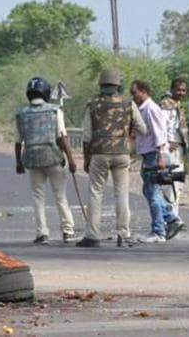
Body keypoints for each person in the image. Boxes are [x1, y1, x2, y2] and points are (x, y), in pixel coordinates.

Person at [76, 69, 147, 248]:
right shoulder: (128, 103)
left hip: (99, 153)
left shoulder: (92, 103)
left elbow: (86, 135)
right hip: (122, 153)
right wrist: (128, 135)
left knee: (95, 193)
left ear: (101, 84)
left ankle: (92, 235)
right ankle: (123, 233)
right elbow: (143, 129)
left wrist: (86, 159)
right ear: (118, 85)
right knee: (121, 194)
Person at [14, 77, 76, 245]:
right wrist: (70, 159)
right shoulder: (55, 111)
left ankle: (42, 233)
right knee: (60, 195)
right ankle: (68, 231)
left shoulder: (21, 113)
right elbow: (62, 137)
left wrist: (18, 162)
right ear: (47, 92)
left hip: (32, 159)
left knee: (38, 197)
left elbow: (18, 141)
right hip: (53, 157)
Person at [131, 80, 186, 243]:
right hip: (149, 154)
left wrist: (161, 155)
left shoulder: (151, 109)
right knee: (148, 190)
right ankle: (172, 218)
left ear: (143, 91)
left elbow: (160, 133)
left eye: (134, 92)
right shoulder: (144, 109)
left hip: (154, 155)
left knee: (153, 193)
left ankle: (158, 231)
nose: (133, 96)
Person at [160, 78, 188, 217]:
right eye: (178, 90)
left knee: (177, 183)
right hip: (170, 149)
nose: (181, 92)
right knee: (170, 184)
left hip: (179, 148)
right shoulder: (166, 104)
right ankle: (171, 218)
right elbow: (162, 126)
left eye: (183, 90)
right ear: (172, 89)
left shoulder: (177, 104)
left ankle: (174, 216)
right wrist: (168, 141)